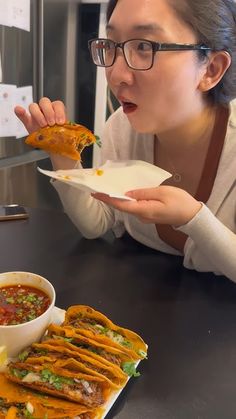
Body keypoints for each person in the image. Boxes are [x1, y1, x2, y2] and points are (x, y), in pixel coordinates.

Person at [15, 0, 236, 281]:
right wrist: (62, 154)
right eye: (112, 45)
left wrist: (194, 218)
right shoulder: (121, 127)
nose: (116, 75)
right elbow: (97, 224)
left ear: (212, 69)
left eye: (144, 46)